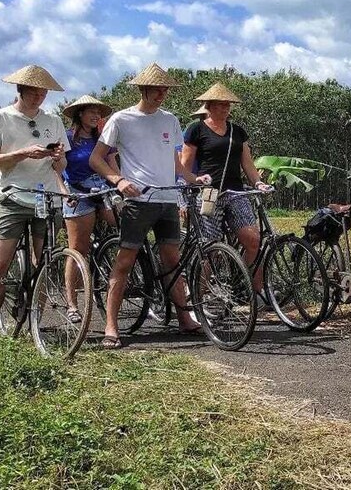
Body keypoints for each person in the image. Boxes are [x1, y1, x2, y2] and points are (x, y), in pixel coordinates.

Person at [89, 62, 211, 349]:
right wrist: (118, 180)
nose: (162, 94)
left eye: (165, 89)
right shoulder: (121, 119)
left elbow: (173, 159)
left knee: (172, 260)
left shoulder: (169, 119)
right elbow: (96, 158)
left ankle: (184, 318)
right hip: (139, 200)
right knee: (124, 262)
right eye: (157, 89)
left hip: (168, 199)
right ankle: (111, 325)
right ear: (143, 89)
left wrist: (192, 178)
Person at [0, 64, 71, 335]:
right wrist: (23, 153)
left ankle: (34, 323)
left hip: (46, 198)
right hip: (14, 197)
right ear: (21, 89)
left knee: (43, 263)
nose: (40, 96)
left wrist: (58, 158)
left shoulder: (53, 121)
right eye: (34, 91)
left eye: (44, 92)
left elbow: (62, 166)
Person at [181, 83, 272, 293]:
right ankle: (198, 294)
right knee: (211, 247)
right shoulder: (196, 129)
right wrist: (192, 184)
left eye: (228, 105)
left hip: (235, 192)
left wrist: (257, 182)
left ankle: (250, 288)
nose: (225, 109)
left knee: (253, 240)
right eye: (221, 105)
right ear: (209, 106)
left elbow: (247, 164)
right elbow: (185, 166)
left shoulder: (237, 132)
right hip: (208, 194)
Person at [61, 95, 117, 320]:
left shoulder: (103, 139)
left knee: (120, 231)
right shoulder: (67, 139)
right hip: (77, 192)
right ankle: (72, 304)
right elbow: (58, 168)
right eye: (91, 112)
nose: (96, 116)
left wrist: (121, 186)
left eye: (98, 112)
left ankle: (107, 267)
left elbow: (112, 166)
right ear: (80, 114)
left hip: (102, 189)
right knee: (77, 249)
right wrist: (66, 195)